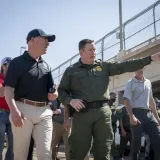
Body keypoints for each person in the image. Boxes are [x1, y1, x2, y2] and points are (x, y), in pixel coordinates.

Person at [58, 38, 160, 160]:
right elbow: (61, 91)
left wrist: (150, 59)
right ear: (81, 52)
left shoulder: (104, 66)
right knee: (78, 149)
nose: (93, 52)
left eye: (94, 50)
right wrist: (70, 100)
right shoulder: (71, 71)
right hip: (82, 115)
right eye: (90, 50)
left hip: (103, 114)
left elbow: (125, 66)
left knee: (104, 149)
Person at [4, 29, 58, 160]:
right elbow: (9, 89)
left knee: (45, 154)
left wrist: (54, 93)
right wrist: (13, 110)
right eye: (45, 40)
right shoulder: (16, 63)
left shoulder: (46, 65)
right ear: (32, 40)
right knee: (20, 155)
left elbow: (52, 89)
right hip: (22, 111)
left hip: (44, 112)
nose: (48, 44)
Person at [123, 68, 160, 160]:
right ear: (134, 70)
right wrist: (132, 116)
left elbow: (151, 101)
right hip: (136, 113)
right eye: (137, 68)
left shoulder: (148, 82)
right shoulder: (130, 82)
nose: (140, 70)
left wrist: (157, 118)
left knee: (157, 140)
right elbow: (126, 99)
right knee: (137, 144)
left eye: (141, 68)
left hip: (149, 114)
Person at [0, 57, 14, 160]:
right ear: (3, 65)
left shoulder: (14, 79)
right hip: (1, 114)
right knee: (0, 144)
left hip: (12, 114)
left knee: (13, 144)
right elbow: (1, 93)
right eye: (9, 63)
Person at [108, 92, 120, 160]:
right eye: (113, 97)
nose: (114, 98)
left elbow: (116, 116)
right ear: (109, 96)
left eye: (115, 97)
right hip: (107, 126)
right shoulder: (106, 105)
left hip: (113, 127)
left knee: (112, 141)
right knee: (110, 142)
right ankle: (116, 156)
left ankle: (114, 156)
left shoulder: (114, 106)